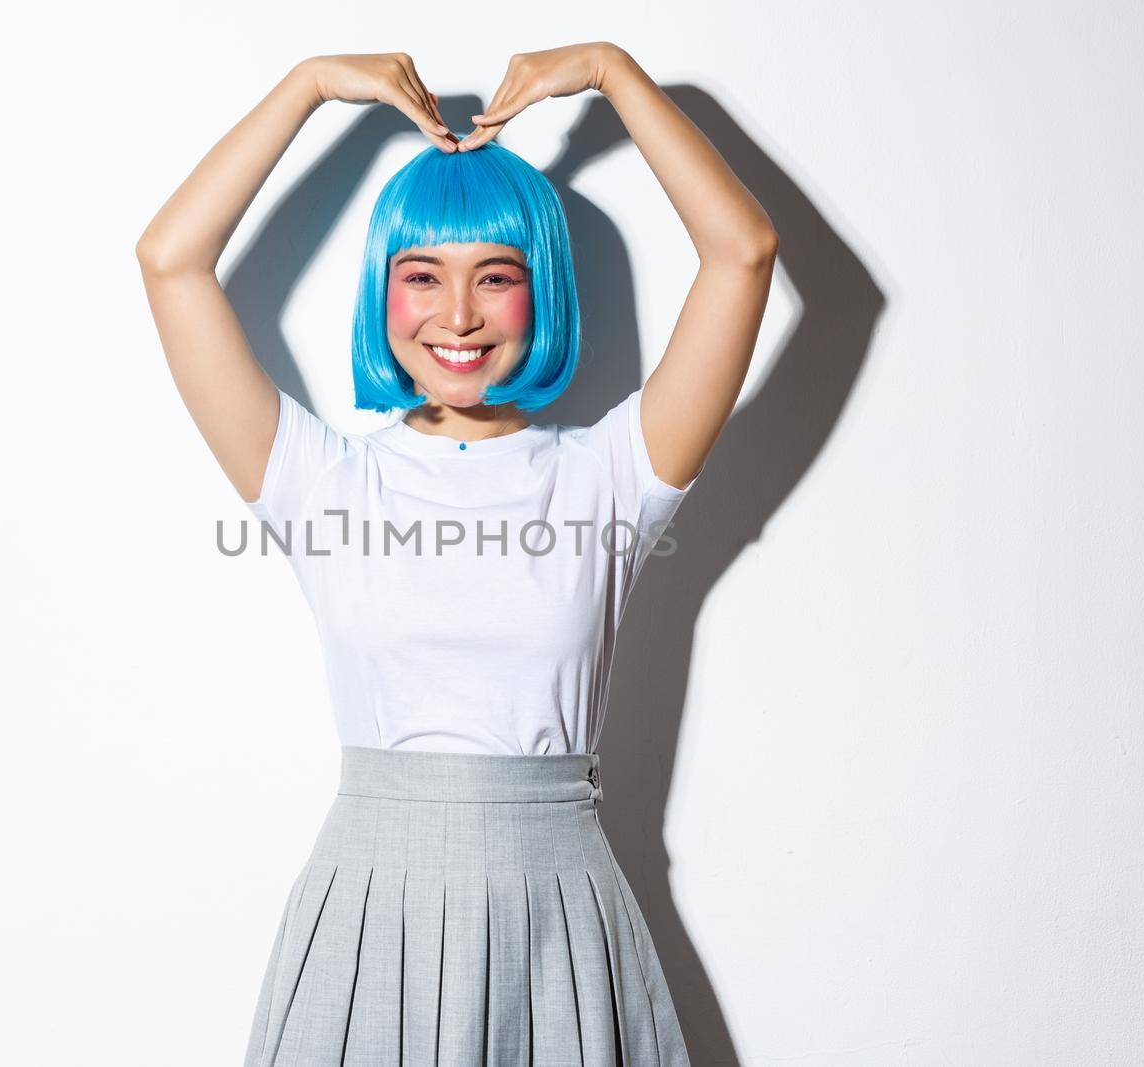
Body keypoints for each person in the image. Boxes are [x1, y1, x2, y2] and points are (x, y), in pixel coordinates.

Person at [136, 43, 776, 1066]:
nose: (459, 315)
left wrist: (615, 74)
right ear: (382, 296)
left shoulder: (609, 477)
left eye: (497, 276)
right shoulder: (323, 484)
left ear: (542, 290)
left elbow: (742, 251)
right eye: (421, 275)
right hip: (367, 910)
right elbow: (170, 259)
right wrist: (307, 85)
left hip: (557, 913)